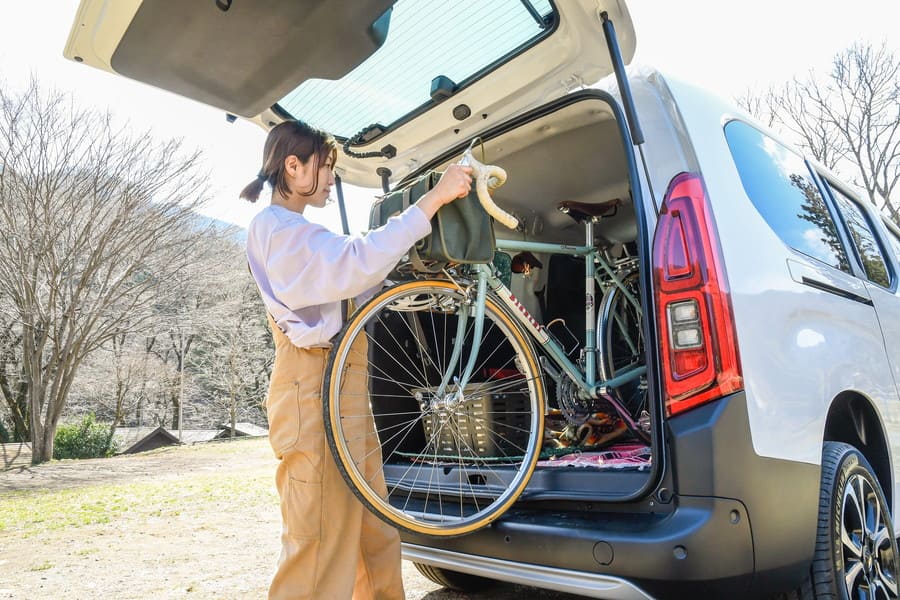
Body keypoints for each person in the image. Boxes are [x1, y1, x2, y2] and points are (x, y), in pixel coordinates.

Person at [240, 120, 473, 600]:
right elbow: (354, 261)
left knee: (373, 532)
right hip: (311, 388)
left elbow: (359, 276)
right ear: (293, 166)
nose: (330, 180)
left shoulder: (299, 231)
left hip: (342, 386)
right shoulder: (275, 228)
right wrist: (431, 201)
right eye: (326, 168)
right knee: (318, 543)